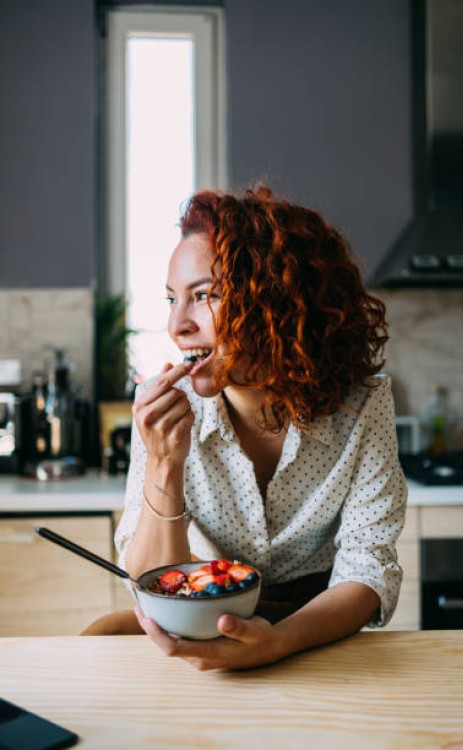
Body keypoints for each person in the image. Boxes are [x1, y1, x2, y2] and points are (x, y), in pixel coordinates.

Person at [84, 185, 407, 671]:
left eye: (203, 295)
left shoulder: (362, 404)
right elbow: (151, 578)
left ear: (276, 301)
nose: (178, 325)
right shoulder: (163, 406)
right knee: (98, 636)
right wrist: (164, 464)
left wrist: (278, 641)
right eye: (172, 299)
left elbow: (367, 569)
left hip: (314, 621)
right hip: (197, 610)